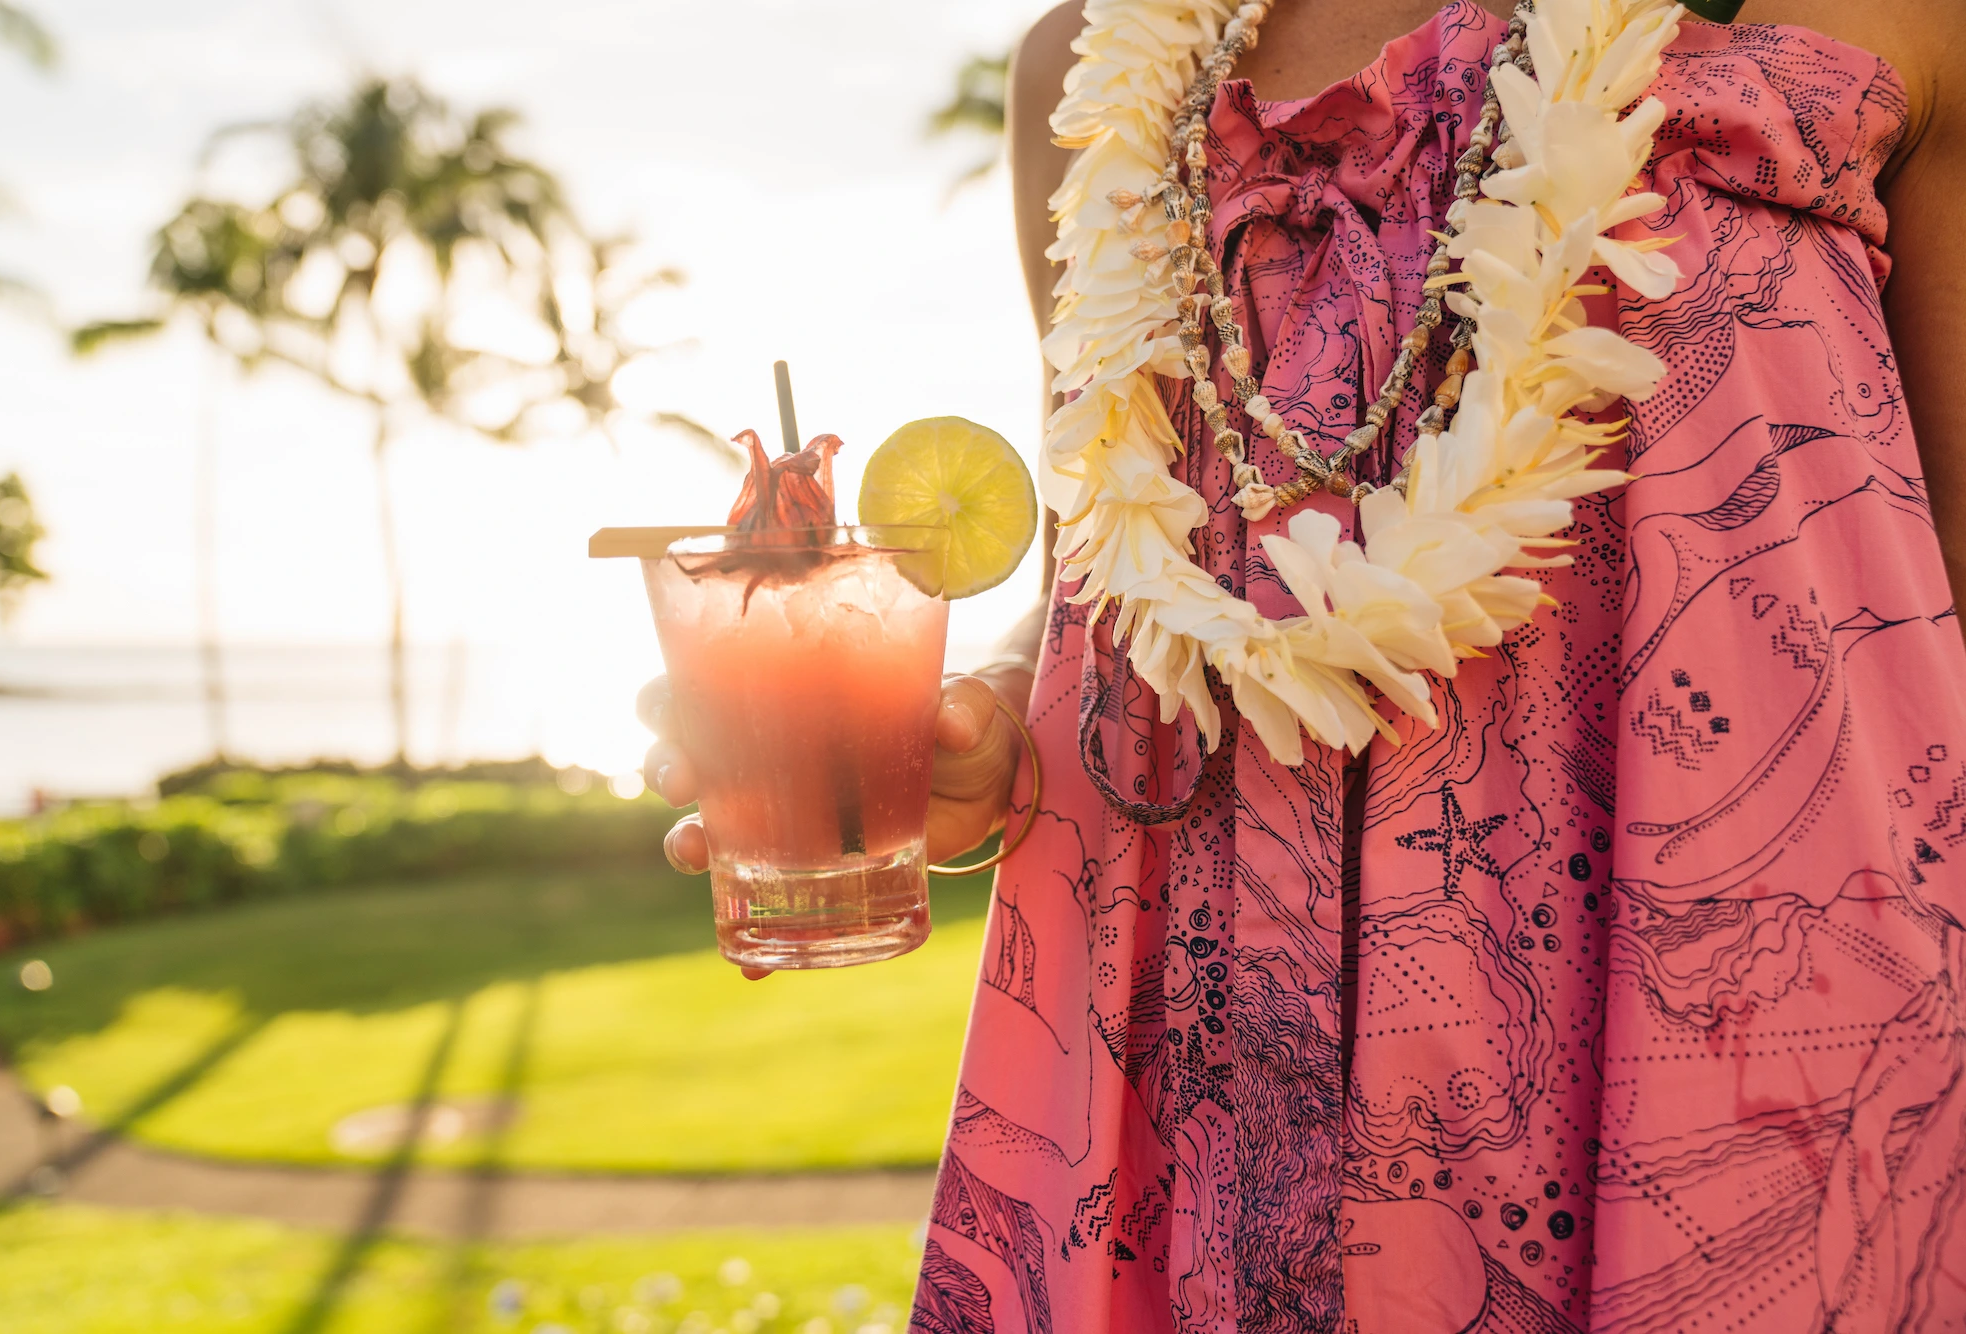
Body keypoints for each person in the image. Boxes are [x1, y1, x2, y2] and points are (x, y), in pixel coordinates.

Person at [644, 0, 1966, 1327]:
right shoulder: (1093, 69)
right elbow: (1102, 576)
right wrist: (978, 732)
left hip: (1748, 1055)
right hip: (1202, 1076)